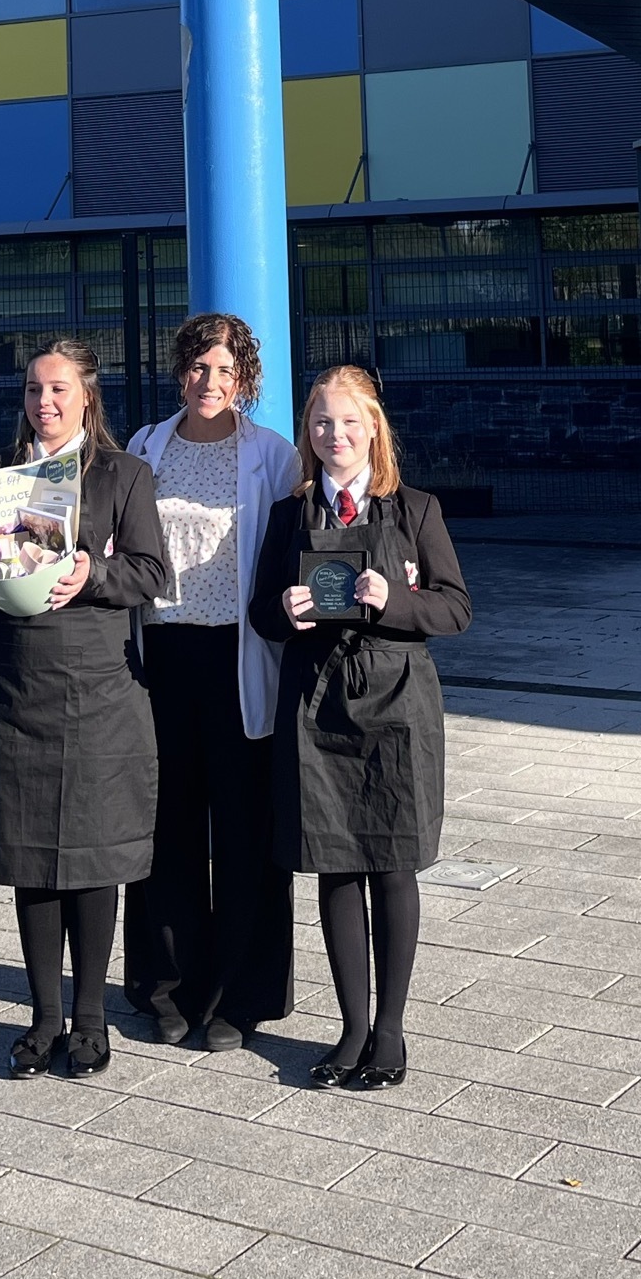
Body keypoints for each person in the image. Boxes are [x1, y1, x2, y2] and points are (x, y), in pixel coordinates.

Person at [250, 364, 471, 1091]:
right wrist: (284, 611)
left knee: (391, 863)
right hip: (315, 706)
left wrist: (392, 602)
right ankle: (349, 1029)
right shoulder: (291, 515)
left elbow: (455, 610)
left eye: (348, 422)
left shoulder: (415, 510)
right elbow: (259, 615)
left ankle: (392, 1031)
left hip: (398, 706)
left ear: (374, 428)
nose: (334, 435)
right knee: (337, 864)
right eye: (321, 423)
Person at [0, 337, 167, 1079]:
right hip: (17, 683)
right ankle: (44, 1017)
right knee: (28, 856)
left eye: (59, 391)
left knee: (90, 856)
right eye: (35, 391)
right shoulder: (0, 483)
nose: (45, 403)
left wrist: (92, 570)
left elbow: (150, 572)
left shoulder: (125, 475)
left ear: (87, 397)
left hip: (99, 686)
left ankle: (92, 1019)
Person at [123, 313, 300, 1051]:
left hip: (240, 659)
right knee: (165, 830)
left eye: (225, 371)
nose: (210, 382)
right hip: (162, 657)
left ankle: (240, 994)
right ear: (181, 370)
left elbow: (301, 548)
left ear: (245, 379)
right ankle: (165, 986)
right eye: (199, 368)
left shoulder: (276, 457)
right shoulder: (144, 447)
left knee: (242, 829)